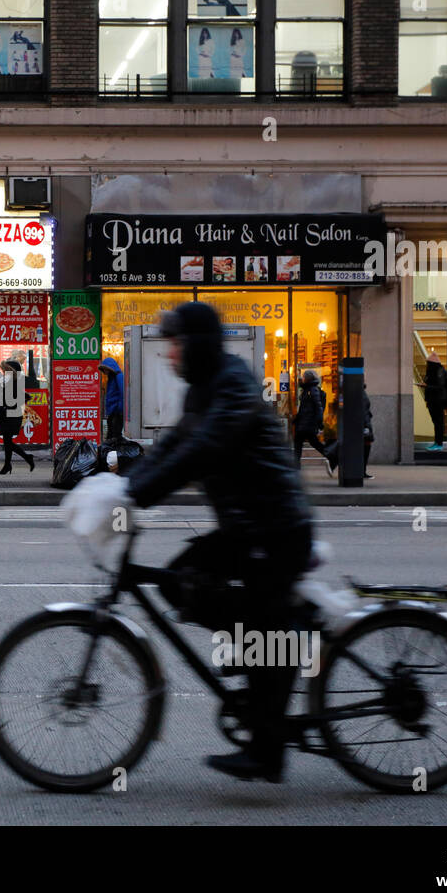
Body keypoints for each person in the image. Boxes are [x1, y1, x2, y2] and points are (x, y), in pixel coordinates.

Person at [117, 302, 313, 783]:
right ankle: (259, 643)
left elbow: (204, 450)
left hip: (276, 527)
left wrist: (141, 494)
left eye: (176, 343)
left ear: (199, 344)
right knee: (177, 582)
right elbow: (173, 446)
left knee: (267, 631)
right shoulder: (204, 388)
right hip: (246, 526)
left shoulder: (232, 385)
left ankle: (268, 749)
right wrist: (122, 485)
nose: (169, 354)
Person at [292, 369, 335, 476]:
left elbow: (318, 408)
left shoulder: (313, 390)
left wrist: (319, 423)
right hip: (304, 423)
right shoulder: (307, 390)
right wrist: (297, 419)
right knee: (305, 443)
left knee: (306, 443)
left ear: (308, 378)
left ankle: (332, 456)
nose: (302, 378)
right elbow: (304, 409)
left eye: (304, 377)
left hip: (308, 424)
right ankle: (331, 456)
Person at [0, 360, 35, 475]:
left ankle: (23, 459)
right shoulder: (12, 381)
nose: (3, 372)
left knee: (7, 441)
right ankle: (10, 464)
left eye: (5, 370)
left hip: (11, 415)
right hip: (9, 415)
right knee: (8, 441)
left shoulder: (13, 382)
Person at [422, 351, 447, 450]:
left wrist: (427, 386)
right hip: (434, 401)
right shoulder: (435, 372)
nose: (427, 365)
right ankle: (437, 442)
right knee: (436, 422)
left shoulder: (439, 372)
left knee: (438, 423)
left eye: (428, 363)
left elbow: (440, 387)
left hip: (438, 401)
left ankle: (439, 444)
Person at [99, 357, 125, 442]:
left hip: (116, 412)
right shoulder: (111, 378)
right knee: (111, 436)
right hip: (113, 412)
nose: (105, 372)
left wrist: (119, 409)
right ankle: (111, 452)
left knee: (115, 435)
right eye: (104, 370)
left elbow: (122, 393)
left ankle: (115, 453)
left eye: (105, 369)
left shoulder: (119, 377)